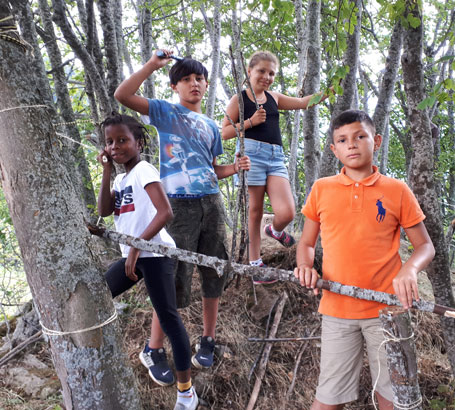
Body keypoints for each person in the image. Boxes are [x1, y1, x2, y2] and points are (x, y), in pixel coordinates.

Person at [114, 50, 251, 383]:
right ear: (175, 86)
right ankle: (154, 348)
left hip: (211, 204)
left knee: (214, 269)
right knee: (171, 277)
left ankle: (207, 340)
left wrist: (234, 168)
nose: (195, 84)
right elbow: (123, 95)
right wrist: (152, 64)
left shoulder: (211, 127)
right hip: (178, 205)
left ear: (206, 84)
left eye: (199, 79)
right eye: (187, 79)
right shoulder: (166, 112)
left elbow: (211, 169)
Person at [294, 110, 435, 410]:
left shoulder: (397, 190)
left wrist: (410, 269)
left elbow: (425, 246)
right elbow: (306, 243)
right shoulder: (322, 189)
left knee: (393, 397)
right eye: (342, 140)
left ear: (377, 141)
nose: (352, 144)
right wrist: (306, 266)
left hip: (388, 311)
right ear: (334, 150)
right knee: (328, 396)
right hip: (337, 309)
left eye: (360, 136)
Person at [97, 112, 198, 410]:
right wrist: (105, 171)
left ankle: (186, 393)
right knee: (99, 292)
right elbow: (104, 210)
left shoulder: (143, 169)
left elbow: (165, 212)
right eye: (110, 142)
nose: (115, 147)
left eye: (122, 140)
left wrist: (136, 249)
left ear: (138, 142)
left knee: (168, 317)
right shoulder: (121, 176)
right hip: (136, 255)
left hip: (155, 255)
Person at [221, 50, 327, 282]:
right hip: (251, 155)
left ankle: (276, 231)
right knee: (255, 211)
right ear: (249, 71)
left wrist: (329, 92)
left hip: (275, 157)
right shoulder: (239, 99)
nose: (267, 77)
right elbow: (225, 132)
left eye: (272, 73)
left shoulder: (274, 97)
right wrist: (250, 122)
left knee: (287, 210)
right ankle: (255, 264)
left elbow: (302, 103)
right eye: (261, 71)